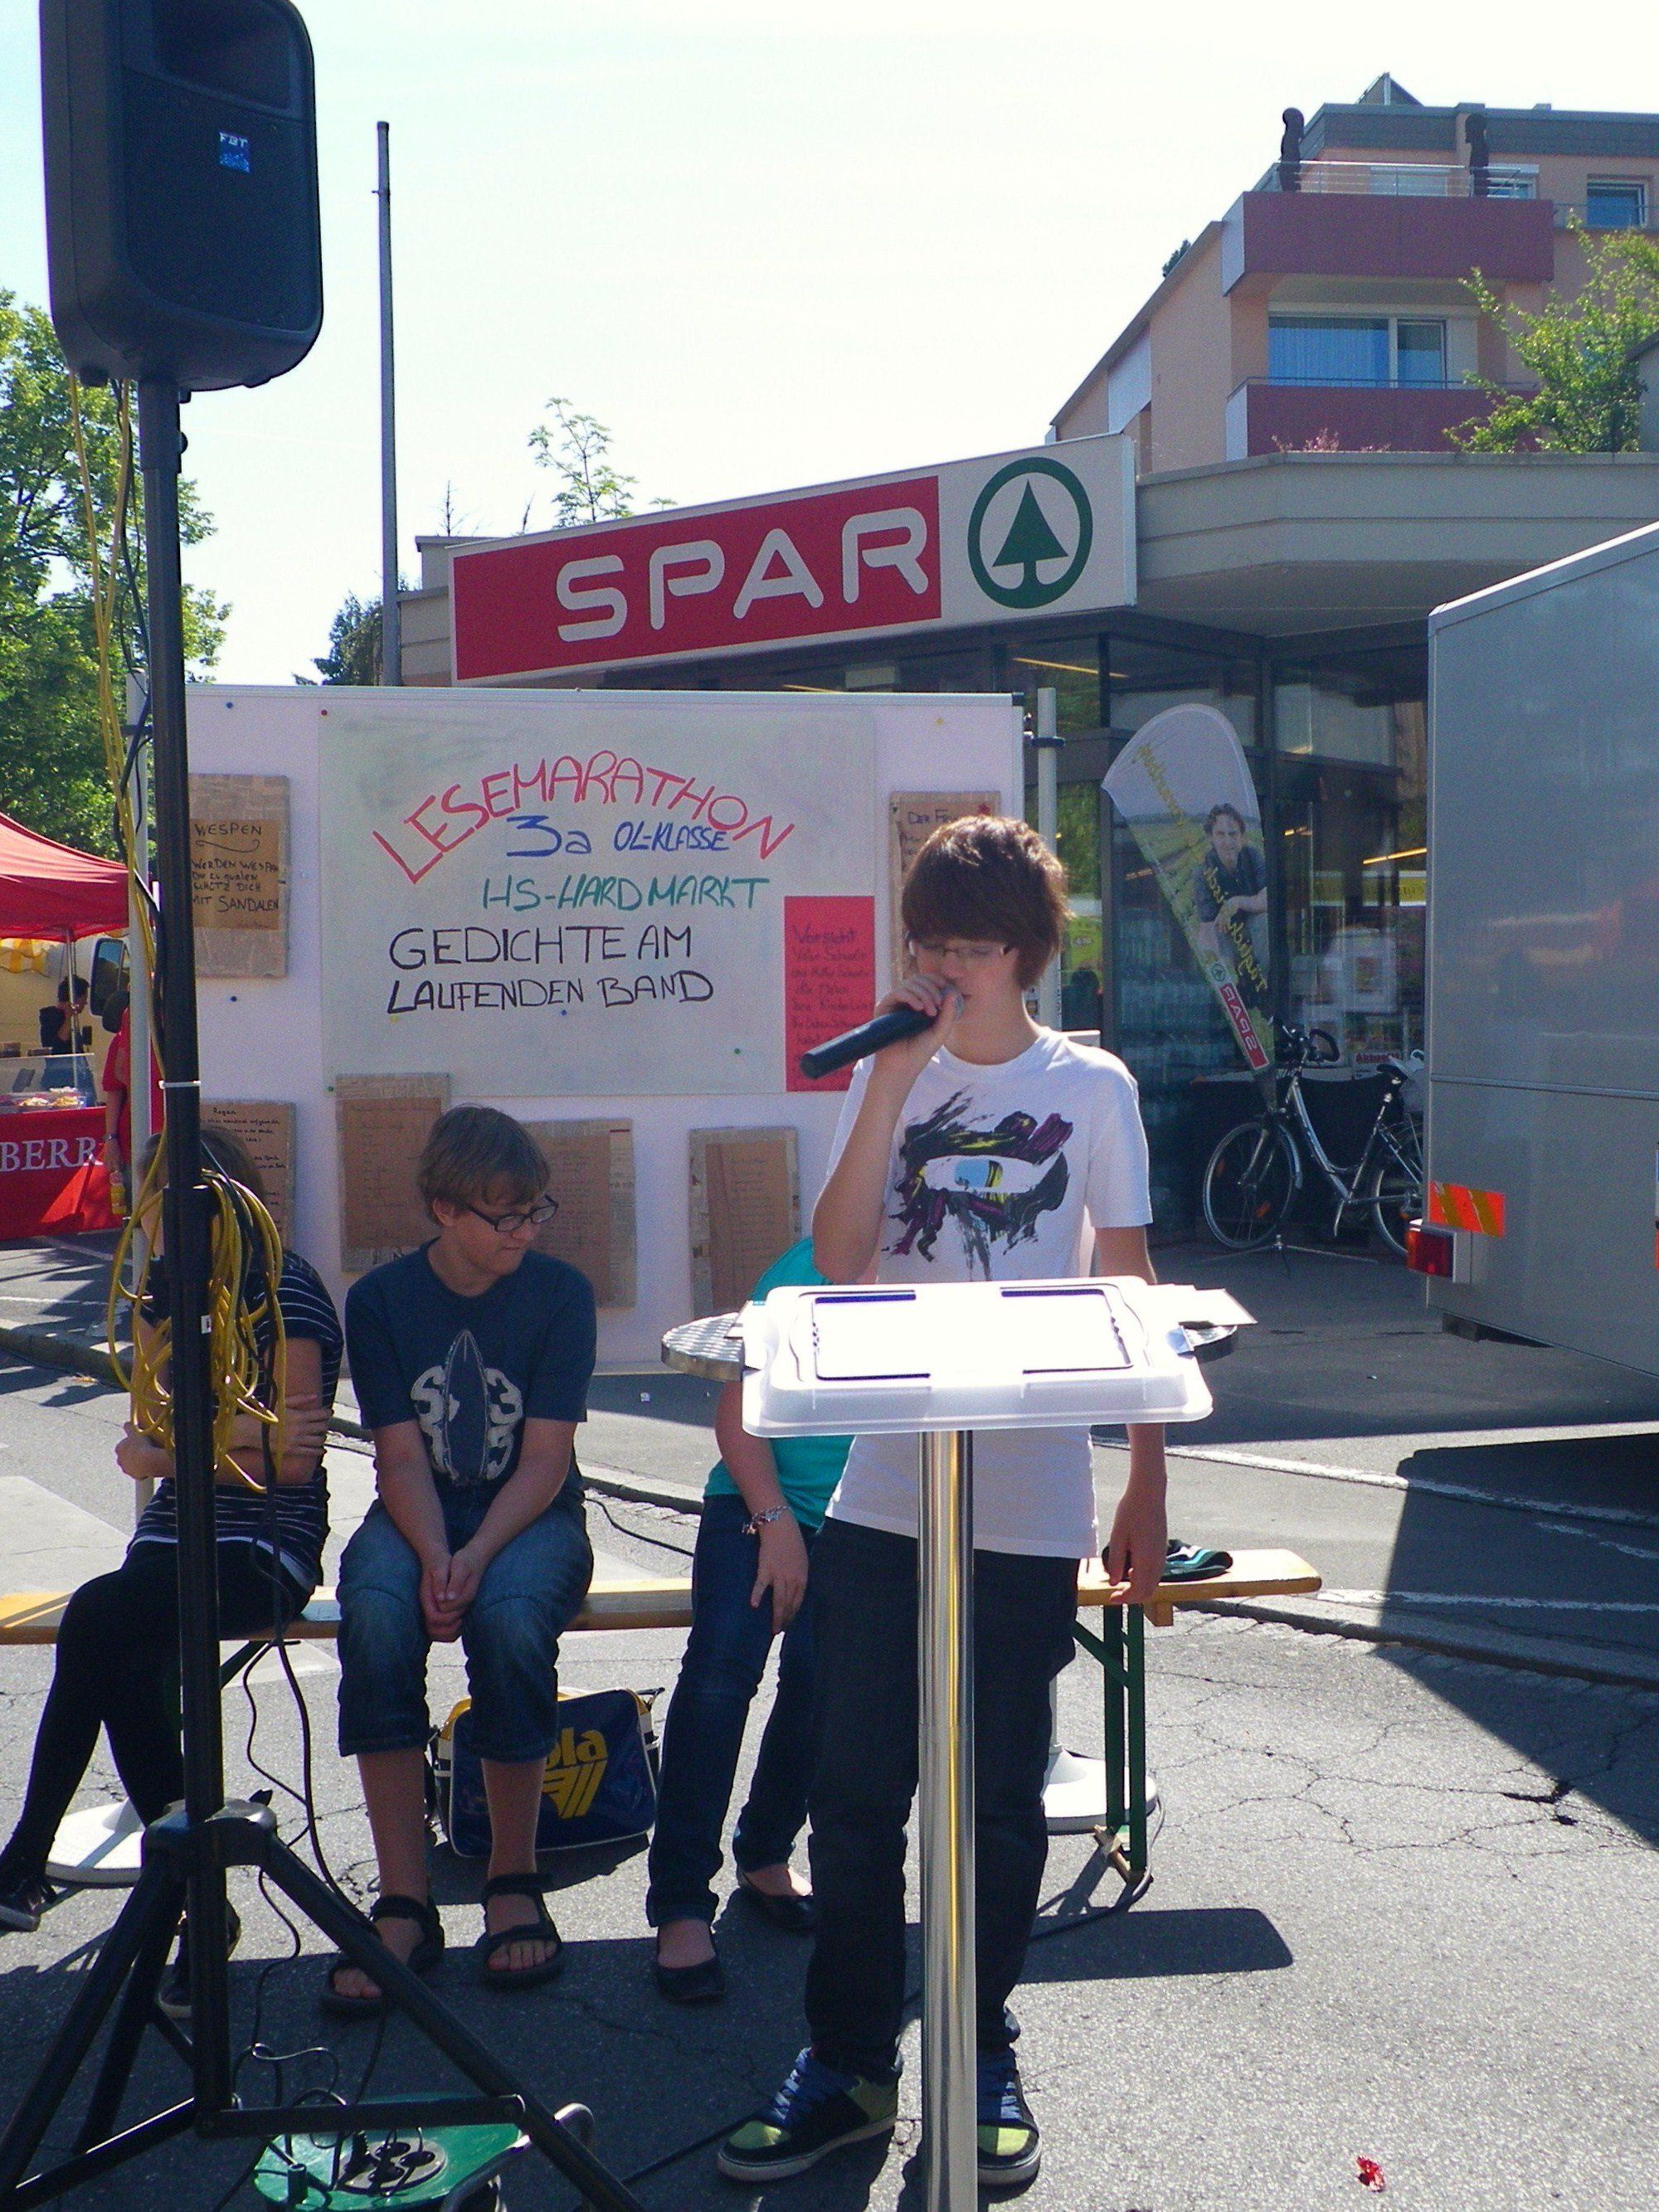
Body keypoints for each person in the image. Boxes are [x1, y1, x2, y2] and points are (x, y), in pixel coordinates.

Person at [718, 814, 1168, 2191]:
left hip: (1027, 1494)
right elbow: (839, 1260)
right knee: (856, 1792)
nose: (950, 967)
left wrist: (1150, 1470)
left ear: (1028, 954)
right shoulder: (891, 1072)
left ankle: (979, 2046)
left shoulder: (1091, 1086)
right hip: (888, 1487)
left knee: (998, 1801)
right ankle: (851, 2058)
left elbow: (1131, 1285)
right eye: (932, 943)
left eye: (974, 946)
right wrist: (890, 1084)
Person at [0, 1126, 339, 2017]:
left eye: (167, 1208)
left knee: (100, 1620)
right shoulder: (160, 1295)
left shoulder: (287, 1290)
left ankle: (32, 1861)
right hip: (170, 1541)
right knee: (116, 1649)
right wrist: (230, 1431)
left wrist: (187, 1444)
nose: (151, 1227)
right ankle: (194, 1903)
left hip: (262, 1544)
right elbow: (143, 1442)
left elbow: (288, 1465)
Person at [324, 1106, 596, 2014]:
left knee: (511, 1620)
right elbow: (398, 1457)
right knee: (375, 1613)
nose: (525, 1232)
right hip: (419, 1508)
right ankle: (404, 1898)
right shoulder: (381, 1300)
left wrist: (474, 1554)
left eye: (533, 1211)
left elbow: (546, 1459)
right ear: (444, 1209)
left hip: (530, 1512)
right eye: (504, 1216)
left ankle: (511, 1877)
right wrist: (437, 1552)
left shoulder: (560, 1294)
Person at [647, 1236, 849, 2005]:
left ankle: (765, 1850)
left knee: (824, 1679)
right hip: (757, 1498)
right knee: (722, 1671)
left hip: (867, 1520)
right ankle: (680, 1903)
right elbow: (737, 1418)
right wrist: (776, 1524)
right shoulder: (804, 1267)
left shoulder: (939, 1269)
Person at [1192, 802, 1268, 1008]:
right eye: (1221, 834)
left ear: (1242, 837)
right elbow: (1207, 928)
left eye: (1233, 834)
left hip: (1254, 927)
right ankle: (1232, 992)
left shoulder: (1253, 857)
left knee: (1265, 922)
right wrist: (1220, 973)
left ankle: (1264, 988)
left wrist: (1236, 902)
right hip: (1225, 931)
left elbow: (1268, 900)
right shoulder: (1203, 873)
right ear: (1211, 838)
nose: (1228, 842)